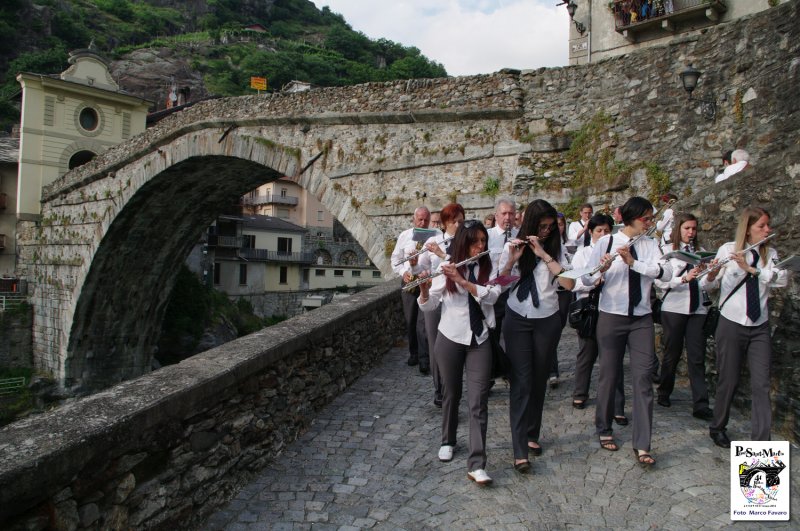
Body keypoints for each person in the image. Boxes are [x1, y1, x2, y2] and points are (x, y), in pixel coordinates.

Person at [585, 196, 671, 467]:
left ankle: (642, 443)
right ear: (631, 218)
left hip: (641, 317)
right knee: (609, 376)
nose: (649, 223)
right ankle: (604, 428)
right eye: (646, 218)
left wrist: (635, 263)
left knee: (644, 378)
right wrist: (603, 268)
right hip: (611, 316)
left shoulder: (650, 245)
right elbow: (586, 278)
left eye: (650, 218)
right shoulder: (606, 241)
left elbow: (665, 273)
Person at [418, 220, 500, 485]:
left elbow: (493, 295)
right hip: (450, 336)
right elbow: (430, 306)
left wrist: (464, 281)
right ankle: (448, 439)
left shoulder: (488, 266)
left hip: (480, 338)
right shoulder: (446, 269)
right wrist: (423, 290)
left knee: (479, 401)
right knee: (451, 393)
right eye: (476, 242)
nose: (481, 246)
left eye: (483, 241)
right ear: (464, 243)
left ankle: (477, 463)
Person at [498, 199, 575, 473]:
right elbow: (500, 283)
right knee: (521, 380)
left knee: (539, 379)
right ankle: (520, 449)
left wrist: (543, 253)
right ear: (530, 223)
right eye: (541, 226)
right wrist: (511, 261)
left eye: (550, 226)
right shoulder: (512, 246)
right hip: (518, 318)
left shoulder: (556, 248)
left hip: (546, 320)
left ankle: (532, 434)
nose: (545, 231)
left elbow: (568, 282)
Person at [702, 207, 788, 448]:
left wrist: (752, 269)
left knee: (761, 383)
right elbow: (706, 286)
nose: (767, 230)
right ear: (748, 229)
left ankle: (761, 442)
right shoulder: (728, 249)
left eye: (767, 225)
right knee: (728, 379)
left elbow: (782, 279)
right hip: (731, 323)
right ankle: (718, 426)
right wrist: (713, 273)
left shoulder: (770, 253)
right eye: (761, 226)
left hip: (759, 325)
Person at [654, 213, 712, 420]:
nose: (691, 232)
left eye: (694, 229)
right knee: (672, 353)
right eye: (687, 228)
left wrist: (711, 274)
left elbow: (708, 285)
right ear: (678, 229)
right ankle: (664, 391)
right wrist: (683, 277)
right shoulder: (668, 252)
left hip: (698, 309)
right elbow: (660, 282)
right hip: (675, 307)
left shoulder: (702, 252)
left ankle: (701, 404)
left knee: (697, 357)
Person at [571, 214, 626, 424]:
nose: (603, 234)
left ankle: (617, 405)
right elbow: (575, 282)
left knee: (614, 358)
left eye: (606, 230)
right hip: (590, 307)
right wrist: (593, 283)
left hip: (612, 307)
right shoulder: (582, 254)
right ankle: (580, 392)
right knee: (587, 352)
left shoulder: (620, 251)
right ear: (591, 233)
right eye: (598, 231)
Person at [419, 203, 465, 408]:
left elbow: (463, 266)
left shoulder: (466, 242)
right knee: (435, 344)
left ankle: (454, 386)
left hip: (457, 298)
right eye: (454, 221)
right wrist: (418, 270)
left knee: (455, 343)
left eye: (461, 221)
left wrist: (440, 254)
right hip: (436, 296)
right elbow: (422, 266)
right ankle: (439, 389)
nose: (458, 225)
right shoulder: (433, 240)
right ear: (446, 223)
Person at [390, 206, 434, 373]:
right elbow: (396, 259)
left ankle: (424, 359)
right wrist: (403, 273)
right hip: (408, 282)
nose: (423, 223)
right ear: (414, 219)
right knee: (410, 320)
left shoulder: (434, 237)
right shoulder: (405, 236)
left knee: (423, 323)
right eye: (420, 219)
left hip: (425, 283)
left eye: (426, 220)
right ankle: (414, 353)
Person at [487, 198, 518, 358]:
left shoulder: (520, 236)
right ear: (496, 215)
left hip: (515, 291)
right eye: (504, 213)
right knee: (494, 331)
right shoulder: (487, 237)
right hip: (495, 290)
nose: (508, 217)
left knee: (513, 333)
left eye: (511, 213)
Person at [549, 212, 574, 388]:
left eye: (561, 224)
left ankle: (549, 365)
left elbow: (571, 270)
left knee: (557, 330)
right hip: (550, 292)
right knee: (550, 329)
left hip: (564, 291)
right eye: (555, 224)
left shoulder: (568, 245)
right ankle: (552, 370)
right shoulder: (545, 245)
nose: (559, 227)